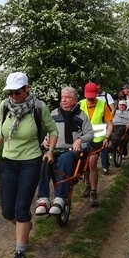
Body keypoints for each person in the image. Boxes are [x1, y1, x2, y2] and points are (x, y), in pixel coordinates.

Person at [0, 72, 58, 258]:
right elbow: (1, 130)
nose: (14, 95)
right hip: (9, 161)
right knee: (8, 211)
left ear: (27, 89)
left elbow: (53, 131)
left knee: (21, 208)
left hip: (31, 161)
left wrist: (50, 151)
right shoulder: (4, 106)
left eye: (18, 92)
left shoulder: (38, 107)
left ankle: (20, 254)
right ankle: (24, 227)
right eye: (11, 92)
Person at [35, 86, 94, 215]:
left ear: (75, 100)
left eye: (68, 97)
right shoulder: (54, 113)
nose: (64, 100)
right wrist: (45, 139)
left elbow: (90, 134)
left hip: (71, 151)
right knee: (43, 161)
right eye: (62, 97)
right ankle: (43, 199)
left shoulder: (81, 115)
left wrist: (80, 139)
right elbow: (48, 130)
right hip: (53, 149)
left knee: (65, 158)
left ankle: (60, 197)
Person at [79, 82, 114, 205]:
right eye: (88, 95)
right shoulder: (80, 105)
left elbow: (110, 123)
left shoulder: (102, 105)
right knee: (85, 164)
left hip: (97, 140)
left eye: (92, 95)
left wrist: (107, 137)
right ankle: (88, 185)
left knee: (92, 163)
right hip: (83, 139)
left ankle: (93, 192)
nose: (90, 98)